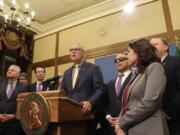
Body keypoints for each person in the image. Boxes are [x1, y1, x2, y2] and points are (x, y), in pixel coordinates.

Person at [115, 38, 169, 135]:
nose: (127, 56)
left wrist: (122, 121)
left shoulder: (155, 67)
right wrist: (119, 124)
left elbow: (150, 102)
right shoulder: (137, 74)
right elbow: (127, 105)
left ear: (139, 52)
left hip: (150, 127)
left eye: (128, 52)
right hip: (133, 127)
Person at [61, 42, 104, 135]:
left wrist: (90, 102)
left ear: (83, 53)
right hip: (69, 116)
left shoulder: (93, 68)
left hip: (87, 115)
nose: (73, 52)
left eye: (76, 50)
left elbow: (100, 89)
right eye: (71, 50)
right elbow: (63, 92)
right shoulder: (67, 72)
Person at [150, 37, 180, 135]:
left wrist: (171, 112)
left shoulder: (176, 61)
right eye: (150, 46)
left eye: (155, 44)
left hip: (175, 118)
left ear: (166, 47)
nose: (152, 47)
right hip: (159, 121)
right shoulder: (150, 69)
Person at [105, 52, 131, 135]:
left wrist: (123, 118)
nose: (118, 62)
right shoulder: (110, 83)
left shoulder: (135, 78)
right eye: (116, 60)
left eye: (122, 59)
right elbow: (105, 103)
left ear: (129, 61)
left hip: (129, 125)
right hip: (112, 127)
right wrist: (108, 116)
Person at [0, 65, 28, 135]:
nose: (9, 71)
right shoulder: (1, 85)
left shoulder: (24, 88)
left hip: (15, 124)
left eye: (12, 70)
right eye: (8, 70)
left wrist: (14, 116)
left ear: (18, 74)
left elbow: (25, 105)